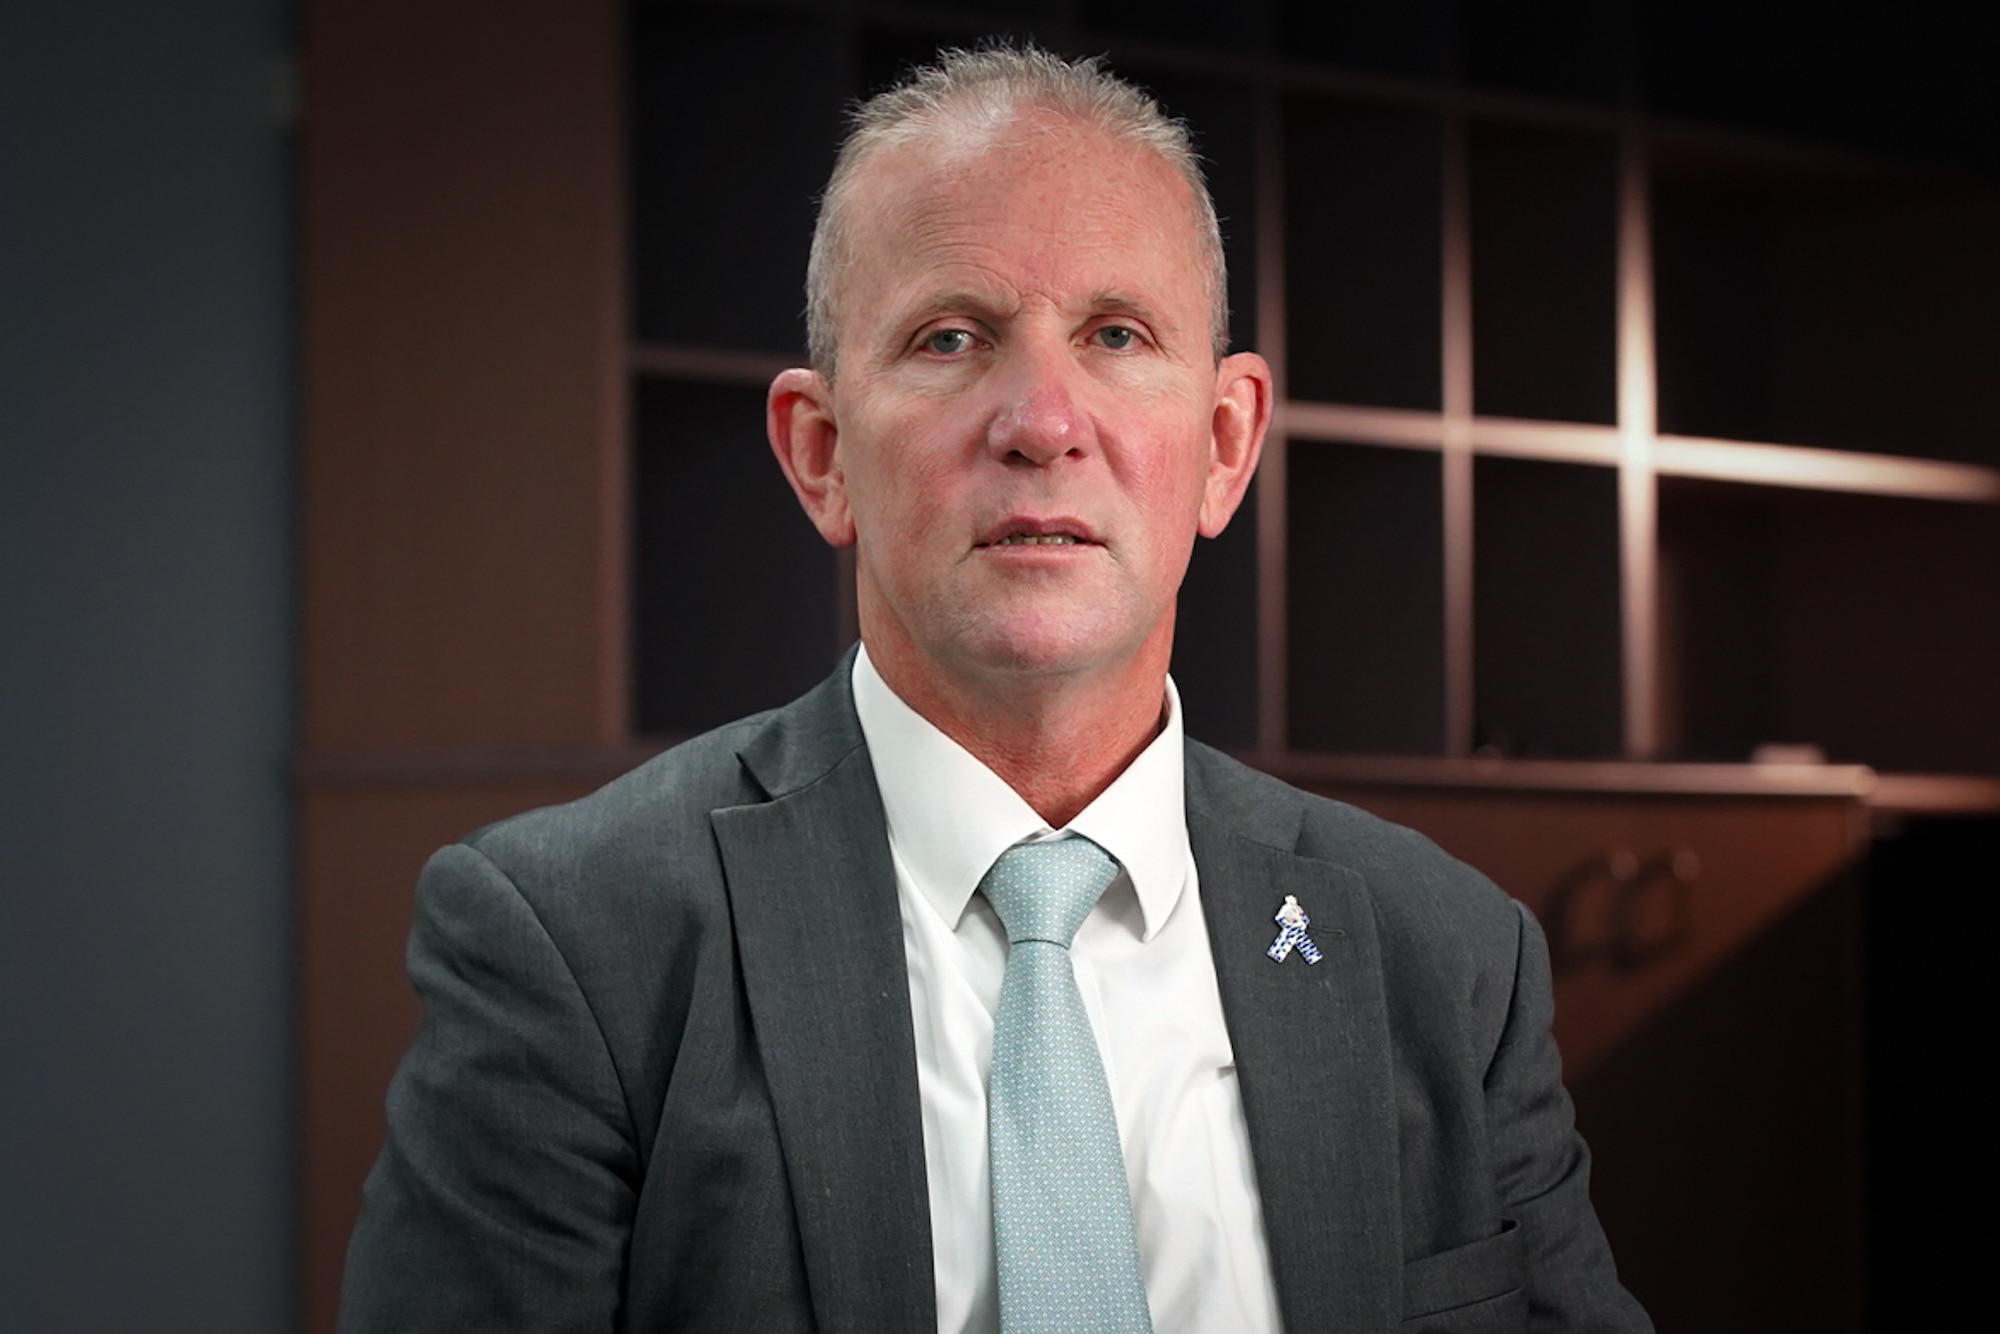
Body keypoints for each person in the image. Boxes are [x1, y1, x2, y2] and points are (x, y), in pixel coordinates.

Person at [339, 45, 1650, 1333]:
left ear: (1225, 443)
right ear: (821, 454)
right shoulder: (572, 948)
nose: (1041, 418)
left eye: (1116, 334)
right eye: (952, 337)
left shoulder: (1446, 955)